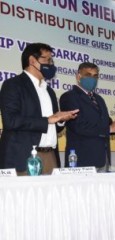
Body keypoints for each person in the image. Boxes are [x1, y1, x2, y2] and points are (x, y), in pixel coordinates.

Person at [0, 43, 78, 175]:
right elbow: (11, 121)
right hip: (24, 159)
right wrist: (48, 120)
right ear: (32, 61)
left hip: (51, 157)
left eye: (52, 60)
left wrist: (60, 120)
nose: (51, 64)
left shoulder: (49, 91)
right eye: (47, 60)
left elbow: (54, 127)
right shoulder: (13, 85)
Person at [60, 62, 115, 172]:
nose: (92, 79)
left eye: (95, 76)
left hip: (103, 159)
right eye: (88, 75)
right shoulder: (69, 97)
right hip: (82, 161)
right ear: (78, 76)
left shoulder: (99, 99)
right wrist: (110, 128)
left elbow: (106, 124)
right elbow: (78, 126)